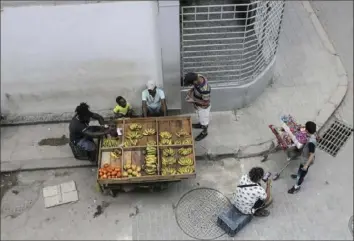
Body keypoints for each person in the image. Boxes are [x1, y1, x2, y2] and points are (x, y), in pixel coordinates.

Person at [288, 121, 317, 194]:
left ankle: (296, 187)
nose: (304, 128)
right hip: (304, 158)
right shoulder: (311, 135)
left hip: (306, 160)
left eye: (305, 128)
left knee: (301, 174)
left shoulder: (311, 142)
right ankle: (298, 175)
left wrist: (306, 165)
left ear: (307, 130)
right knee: (300, 171)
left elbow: (312, 154)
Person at [183, 72, 211, 141]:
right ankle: (200, 125)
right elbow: (195, 86)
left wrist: (193, 101)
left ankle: (204, 132)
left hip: (203, 108)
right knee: (199, 116)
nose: (192, 85)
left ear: (195, 81)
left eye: (192, 83)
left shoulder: (205, 90)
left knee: (204, 121)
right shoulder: (198, 76)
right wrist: (191, 90)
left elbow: (206, 103)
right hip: (198, 105)